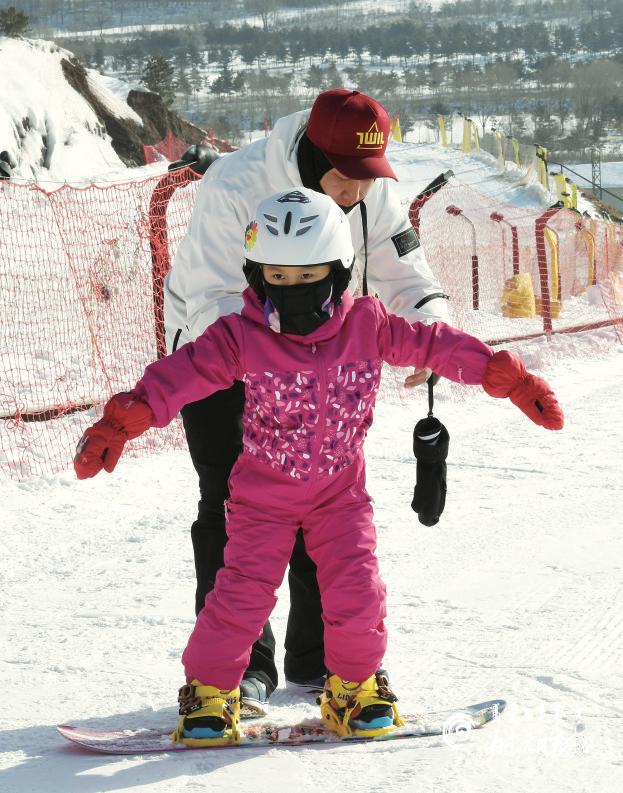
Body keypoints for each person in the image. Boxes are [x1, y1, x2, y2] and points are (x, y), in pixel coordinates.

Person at [74, 188, 563, 747]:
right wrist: (123, 420)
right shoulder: (241, 336)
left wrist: (506, 377)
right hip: (262, 496)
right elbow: (182, 374)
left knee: (356, 591)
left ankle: (354, 689)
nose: (291, 289)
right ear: (256, 275)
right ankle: (210, 694)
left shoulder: (369, 326)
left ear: (337, 271)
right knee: (241, 595)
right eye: (276, 277)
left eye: (306, 275)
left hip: (339, 495)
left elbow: (435, 345)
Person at [163, 89, 452, 714]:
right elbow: (215, 299)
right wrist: (275, 366)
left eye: (368, 178)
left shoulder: (370, 187)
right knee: (233, 507)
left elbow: (408, 271)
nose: (358, 192)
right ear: (312, 154)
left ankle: (324, 664)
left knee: (326, 506)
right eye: (347, 177)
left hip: (326, 364)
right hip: (222, 364)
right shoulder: (233, 185)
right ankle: (240, 673)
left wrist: (429, 329)